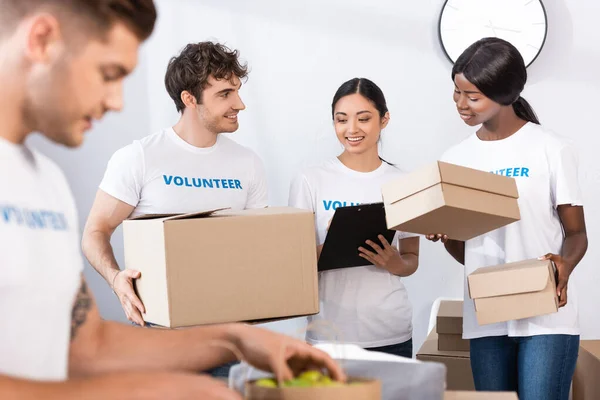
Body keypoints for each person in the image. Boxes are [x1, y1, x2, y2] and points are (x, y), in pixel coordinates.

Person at [0, 1, 345, 398]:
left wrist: (237, 340)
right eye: (108, 74)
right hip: (162, 328)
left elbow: (90, 347)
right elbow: (97, 233)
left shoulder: (46, 182)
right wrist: (171, 389)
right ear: (41, 40)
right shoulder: (138, 157)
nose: (117, 103)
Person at [427, 38, 588, 400]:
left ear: (505, 93)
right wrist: (446, 233)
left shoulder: (551, 148)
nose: (461, 104)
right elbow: (470, 253)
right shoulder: (455, 159)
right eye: (456, 92)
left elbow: (577, 234)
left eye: (472, 96)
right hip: (487, 315)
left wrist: (565, 264)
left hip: (545, 314)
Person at [288, 78, 420, 358]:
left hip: (390, 332)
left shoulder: (404, 183)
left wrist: (395, 262)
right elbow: (294, 264)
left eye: (363, 118)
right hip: (329, 336)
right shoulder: (310, 180)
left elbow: (411, 260)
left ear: (384, 120)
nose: (351, 129)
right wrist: (336, 242)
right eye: (341, 119)